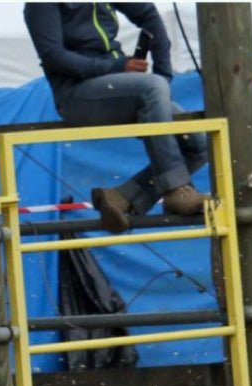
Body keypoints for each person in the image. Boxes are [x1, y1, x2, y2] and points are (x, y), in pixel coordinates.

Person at [24, 3, 209, 234]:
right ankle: (176, 189)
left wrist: (164, 72)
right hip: (76, 96)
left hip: (117, 86)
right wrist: (116, 66)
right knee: (153, 87)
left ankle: (122, 198)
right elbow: (53, 56)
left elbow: (148, 14)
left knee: (199, 144)